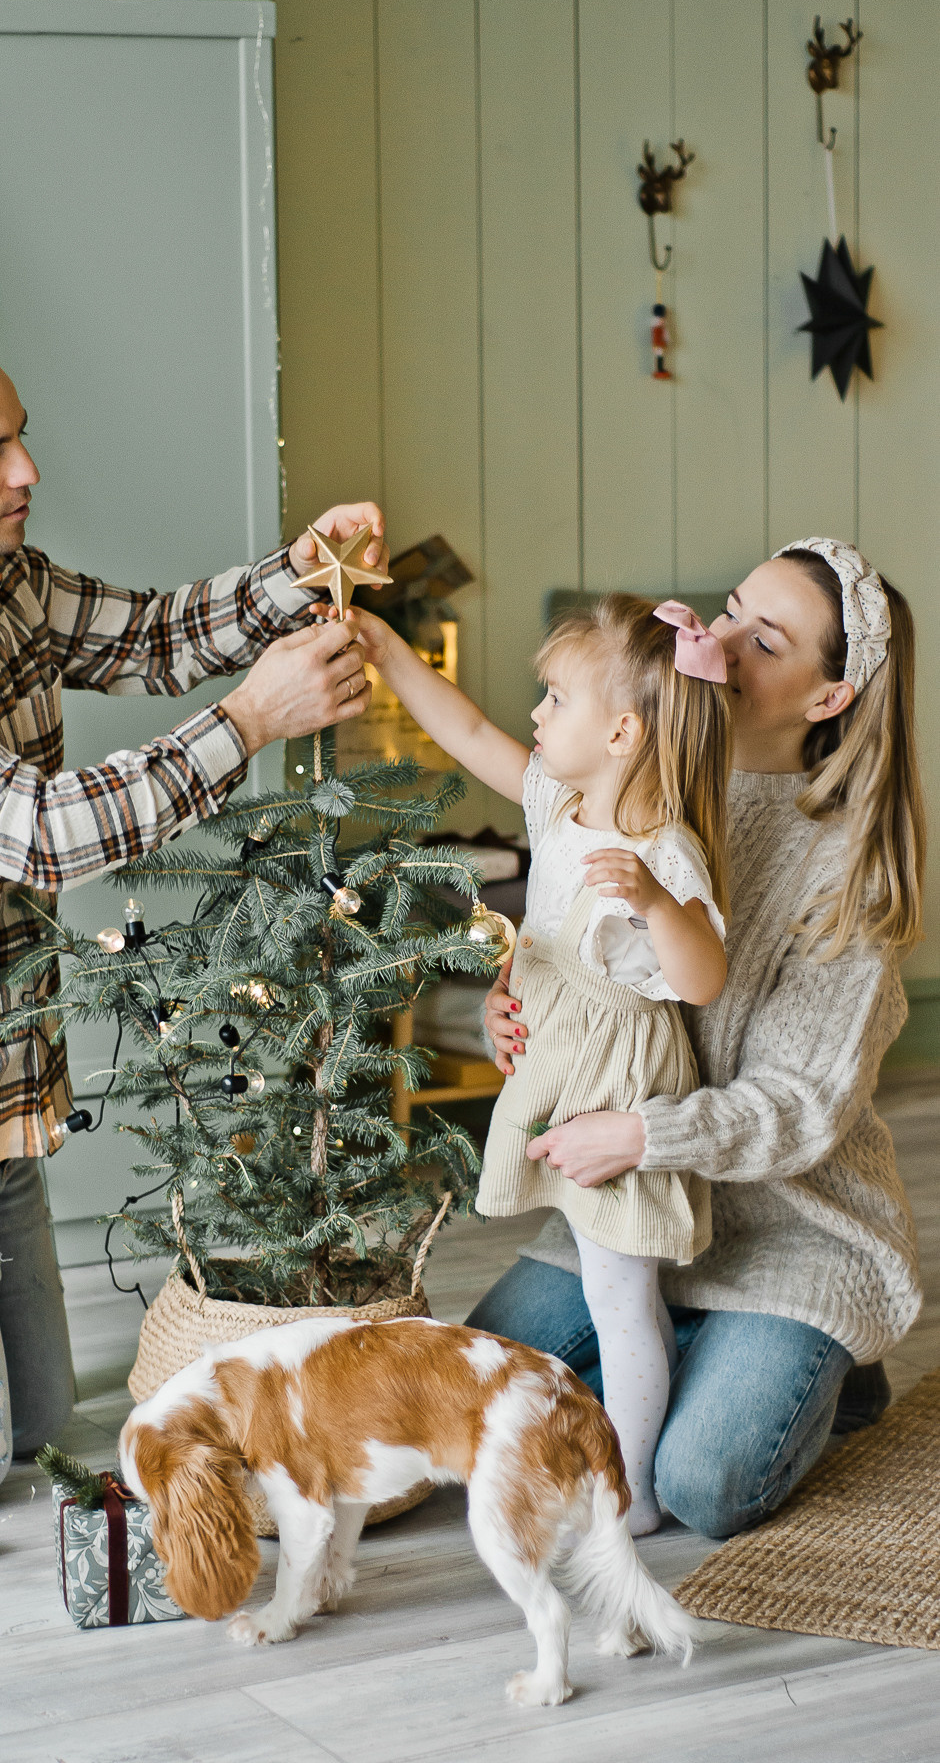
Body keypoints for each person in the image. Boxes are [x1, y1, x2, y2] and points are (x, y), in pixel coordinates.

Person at [0, 324, 387, 1515]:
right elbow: (37, 832)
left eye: (19, 437)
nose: (27, 470)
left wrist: (291, 580)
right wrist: (249, 723)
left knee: (38, 1424)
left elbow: (148, 637)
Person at [476, 540, 924, 1537]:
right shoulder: (649, 783)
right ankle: (685, 1342)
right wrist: (510, 1017)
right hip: (635, 1214)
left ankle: (827, 1371)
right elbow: (571, 953)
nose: (713, 642)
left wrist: (638, 1137)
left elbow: (800, 1105)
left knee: (699, 1484)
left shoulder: (846, 871)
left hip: (787, 1233)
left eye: (762, 640)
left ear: (825, 699)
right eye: (726, 610)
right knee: (478, 1397)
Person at [349, 592, 732, 1532]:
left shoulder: (661, 851)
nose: (535, 714)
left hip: (613, 1083)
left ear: (622, 734)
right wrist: (390, 656)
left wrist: (656, 905)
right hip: (558, 1062)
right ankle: (599, 1430)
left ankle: (631, 1489)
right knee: (599, 1281)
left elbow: (704, 978)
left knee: (620, 1298)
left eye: (555, 698)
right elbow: (470, 729)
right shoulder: (558, 803)